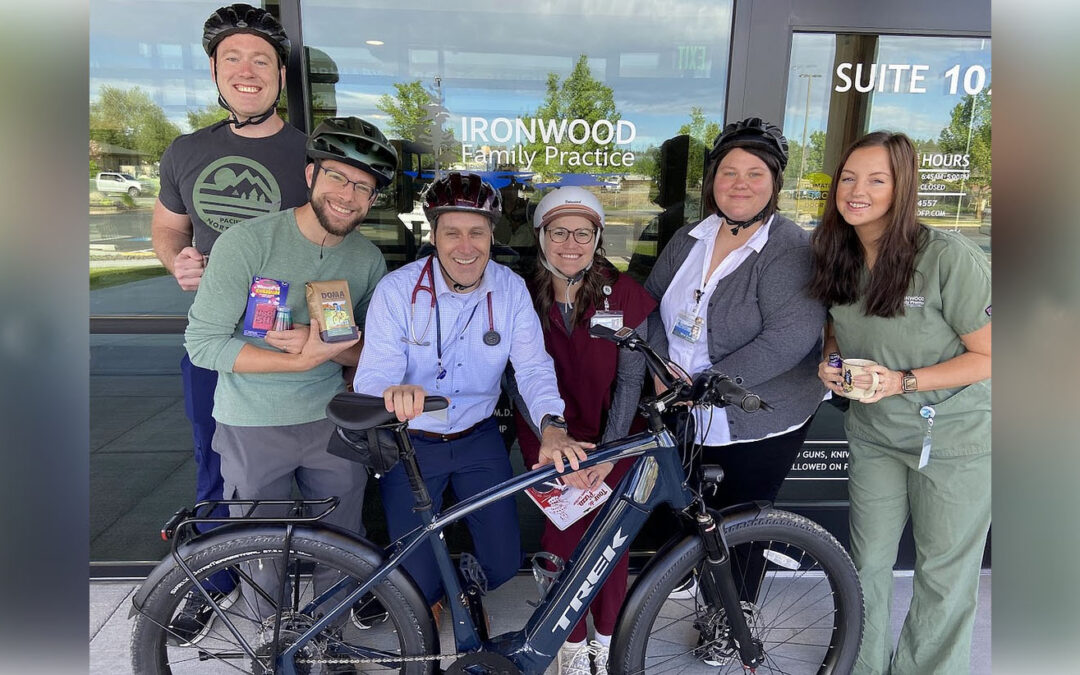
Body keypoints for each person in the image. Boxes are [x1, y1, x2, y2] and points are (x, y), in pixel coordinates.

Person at [181, 116, 396, 645]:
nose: (349, 195)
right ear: (310, 174)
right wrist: (299, 360)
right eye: (339, 178)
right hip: (252, 423)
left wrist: (330, 343)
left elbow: (373, 355)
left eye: (364, 188)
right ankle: (271, 643)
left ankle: (327, 634)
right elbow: (203, 343)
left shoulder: (367, 259)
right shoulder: (246, 242)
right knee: (258, 546)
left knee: (341, 536)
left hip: (330, 422)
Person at [352, 171, 593, 617]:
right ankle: (431, 593)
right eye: (453, 233)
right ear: (434, 235)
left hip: (478, 440)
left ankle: (456, 587)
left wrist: (553, 426)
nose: (466, 247)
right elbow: (370, 377)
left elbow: (534, 367)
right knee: (414, 580)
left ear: (491, 234)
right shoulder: (398, 290)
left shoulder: (510, 289)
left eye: (477, 233)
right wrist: (393, 391)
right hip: (412, 442)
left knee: (502, 564)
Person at [643, 117, 826, 663]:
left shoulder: (790, 248)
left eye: (754, 173)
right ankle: (704, 589)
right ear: (713, 181)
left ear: (774, 183)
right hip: (683, 406)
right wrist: (658, 368)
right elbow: (651, 305)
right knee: (697, 512)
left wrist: (705, 385)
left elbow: (788, 339)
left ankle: (733, 616)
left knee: (741, 526)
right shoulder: (689, 237)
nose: (740, 183)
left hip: (757, 414)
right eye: (729, 172)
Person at [149, 3, 308, 630]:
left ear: (278, 75)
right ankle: (213, 579)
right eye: (233, 59)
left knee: (319, 462)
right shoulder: (187, 150)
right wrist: (176, 260)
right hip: (214, 340)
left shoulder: (308, 154)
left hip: (287, 340)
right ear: (215, 71)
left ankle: (328, 577)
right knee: (213, 461)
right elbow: (167, 225)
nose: (248, 71)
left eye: (262, 60)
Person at [808, 131, 991, 675]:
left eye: (876, 179)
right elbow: (837, 331)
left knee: (943, 571)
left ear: (902, 187)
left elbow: (990, 355)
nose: (856, 190)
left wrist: (903, 381)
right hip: (875, 434)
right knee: (865, 563)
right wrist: (832, 363)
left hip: (955, 438)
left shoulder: (946, 256)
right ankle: (860, 666)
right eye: (848, 177)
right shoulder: (835, 253)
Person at [511, 187, 656, 675]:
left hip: (614, 438)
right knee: (561, 542)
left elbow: (632, 380)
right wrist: (554, 441)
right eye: (558, 231)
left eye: (582, 232)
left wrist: (609, 455)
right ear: (541, 236)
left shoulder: (625, 292)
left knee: (612, 543)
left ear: (597, 237)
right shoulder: (521, 294)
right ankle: (570, 648)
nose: (569, 243)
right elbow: (515, 379)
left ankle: (609, 640)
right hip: (550, 439)